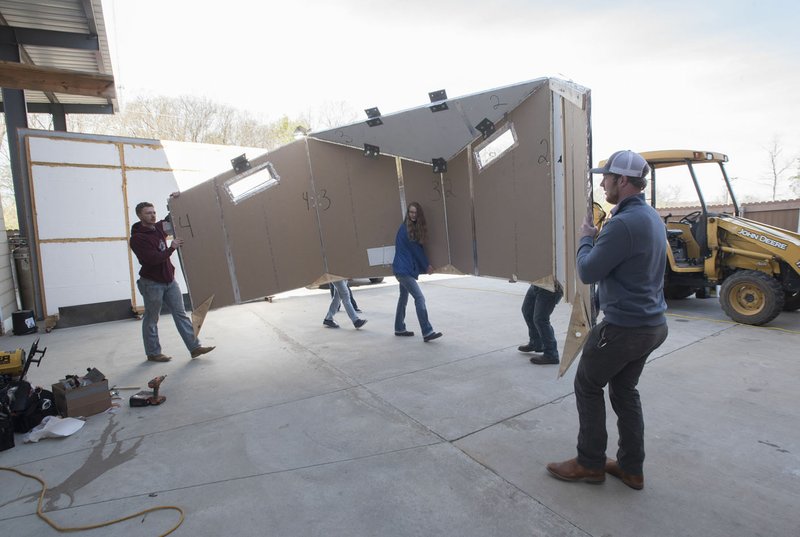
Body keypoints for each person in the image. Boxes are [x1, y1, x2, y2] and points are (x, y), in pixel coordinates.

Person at [546, 150, 668, 491]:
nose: (602, 183)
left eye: (607, 178)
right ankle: (631, 468)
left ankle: (589, 463)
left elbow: (587, 270)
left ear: (623, 181)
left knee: (587, 384)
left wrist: (586, 237)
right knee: (625, 391)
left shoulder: (623, 223)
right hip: (652, 325)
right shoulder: (651, 217)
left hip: (625, 327)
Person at [130, 195, 215, 362]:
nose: (153, 216)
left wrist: (175, 200)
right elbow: (152, 259)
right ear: (139, 216)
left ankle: (195, 347)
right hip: (152, 283)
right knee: (152, 319)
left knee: (180, 314)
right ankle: (153, 353)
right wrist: (171, 248)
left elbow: (173, 217)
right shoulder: (137, 238)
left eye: (154, 212)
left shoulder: (158, 227)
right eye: (148, 213)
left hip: (169, 281)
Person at [392, 202, 442, 342]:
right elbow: (416, 251)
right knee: (419, 298)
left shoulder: (406, 228)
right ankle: (427, 331)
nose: (413, 215)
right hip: (403, 270)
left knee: (403, 298)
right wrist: (427, 266)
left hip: (400, 269)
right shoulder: (407, 230)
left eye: (415, 212)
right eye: (411, 212)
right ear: (407, 214)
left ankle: (399, 328)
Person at [517, 282, 563, 364]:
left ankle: (551, 354)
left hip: (551, 286)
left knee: (541, 319)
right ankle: (536, 343)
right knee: (527, 311)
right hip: (537, 282)